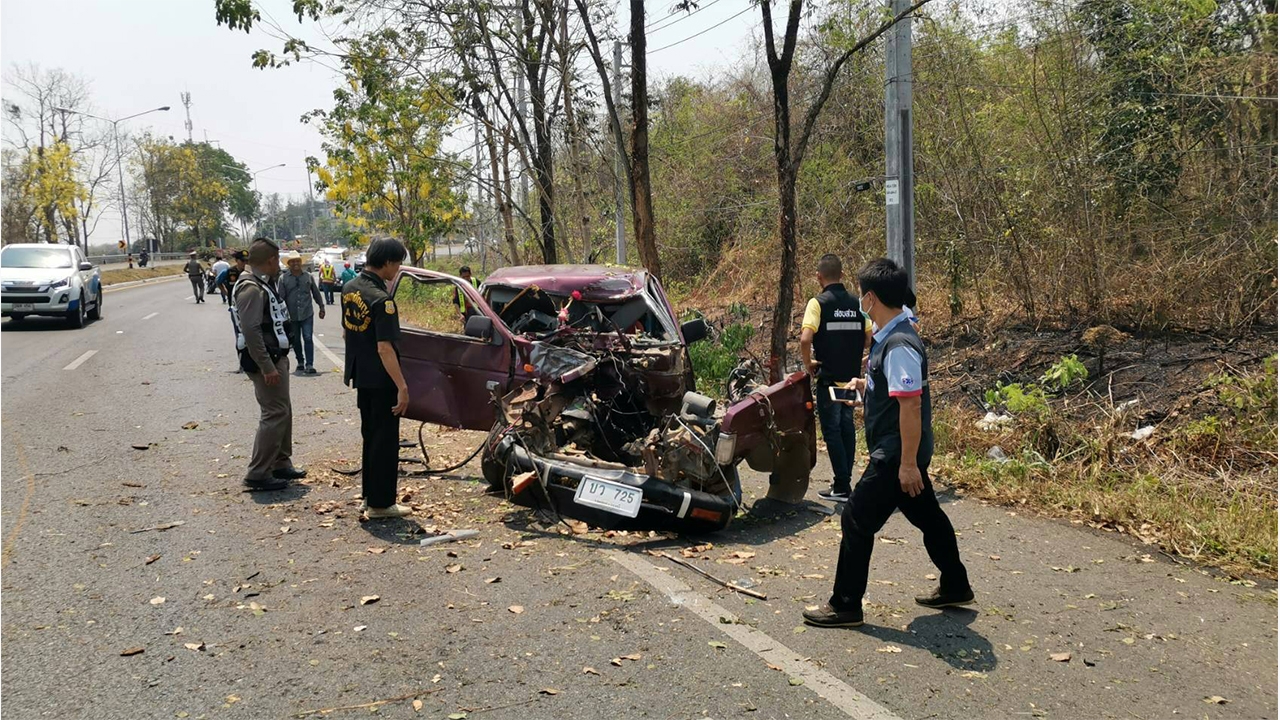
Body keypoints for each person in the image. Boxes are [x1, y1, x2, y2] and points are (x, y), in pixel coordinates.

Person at [803, 258, 972, 629]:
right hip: (901, 452)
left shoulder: (898, 344)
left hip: (895, 455)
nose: (862, 301)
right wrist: (865, 386)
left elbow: (910, 406)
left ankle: (845, 604)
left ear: (871, 298)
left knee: (855, 519)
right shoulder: (893, 337)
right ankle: (956, 584)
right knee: (927, 515)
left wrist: (907, 465)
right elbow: (898, 394)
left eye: (864, 296)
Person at [343, 238, 412, 519]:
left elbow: (347, 332)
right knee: (385, 441)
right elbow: (384, 348)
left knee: (370, 436)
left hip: (361, 375)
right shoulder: (383, 301)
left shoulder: (350, 289)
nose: (398, 269)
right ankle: (382, 504)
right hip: (382, 380)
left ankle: (369, 496)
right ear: (386, 263)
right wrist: (402, 386)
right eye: (397, 264)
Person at [231, 238, 306, 491]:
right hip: (265, 361)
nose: (280, 265)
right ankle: (259, 472)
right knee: (274, 413)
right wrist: (266, 366)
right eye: (278, 261)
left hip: (275, 357)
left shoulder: (264, 282)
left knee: (283, 409)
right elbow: (251, 331)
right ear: (272, 261)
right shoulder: (251, 288)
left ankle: (280, 462)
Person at [800, 253, 871, 503]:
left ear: (819, 277)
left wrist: (809, 363)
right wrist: (858, 356)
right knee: (847, 428)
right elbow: (869, 337)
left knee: (832, 431)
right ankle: (844, 482)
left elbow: (805, 339)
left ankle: (842, 487)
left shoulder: (817, 304)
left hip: (828, 380)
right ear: (841, 275)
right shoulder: (858, 303)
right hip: (852, 379)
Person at [278, 252, 325, 375]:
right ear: (288, 264)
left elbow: (315, 293)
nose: (295, 263)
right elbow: (280, 299)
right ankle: (300, 362)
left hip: (307, 313)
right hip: (291, 315)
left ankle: (309, 364)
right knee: (296, 340)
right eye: (292, 261)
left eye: (297, 261)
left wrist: (321, 307)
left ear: (301, 262)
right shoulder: (283, 279)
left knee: (308, 337)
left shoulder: (308, 276)